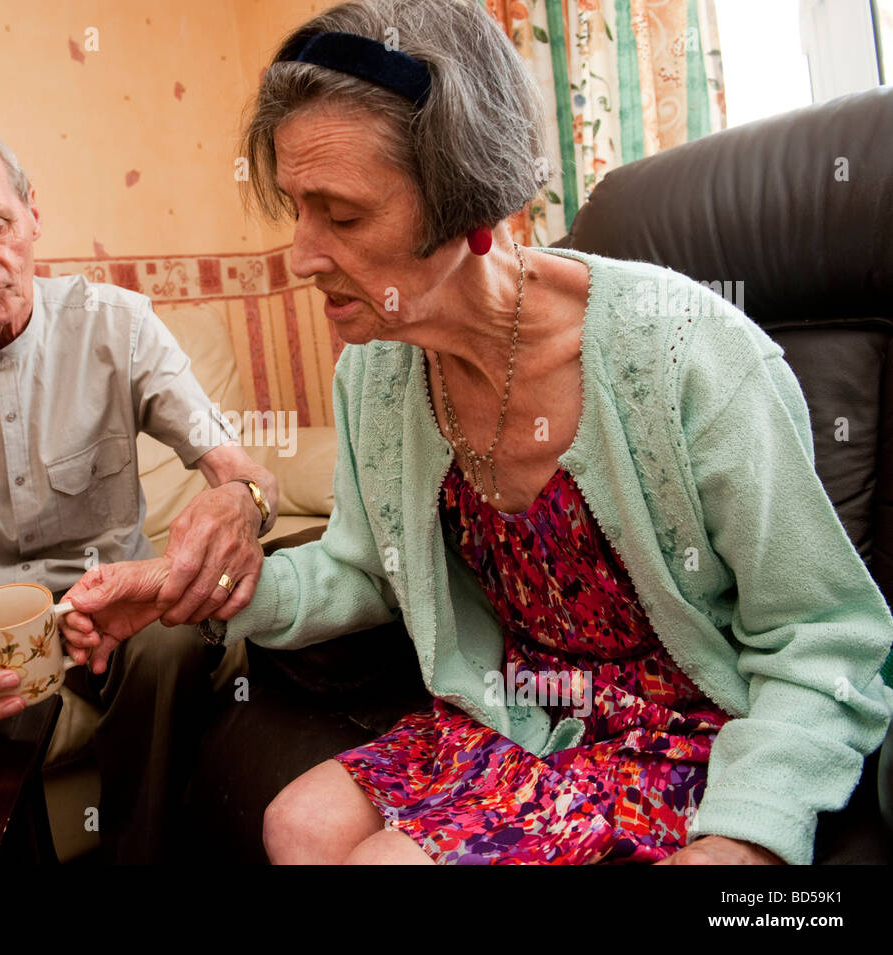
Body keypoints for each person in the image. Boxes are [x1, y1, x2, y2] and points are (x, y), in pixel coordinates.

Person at [60, 0, 893, 865]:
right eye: (296, 209)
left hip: (681, 733)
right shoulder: (377, 373)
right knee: (295, 823)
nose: (301, 255)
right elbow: (360, 567)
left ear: (467, 203)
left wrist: (744, 843)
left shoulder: (685, 355)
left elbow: (826, 632)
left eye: (340, 216)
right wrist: (182, 588)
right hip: (522, 706)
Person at [0, 121, 279, 864]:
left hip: (106, 610)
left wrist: (237, 504)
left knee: (176, 636)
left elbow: (245, 474)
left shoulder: (120, 326)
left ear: (32, 212)